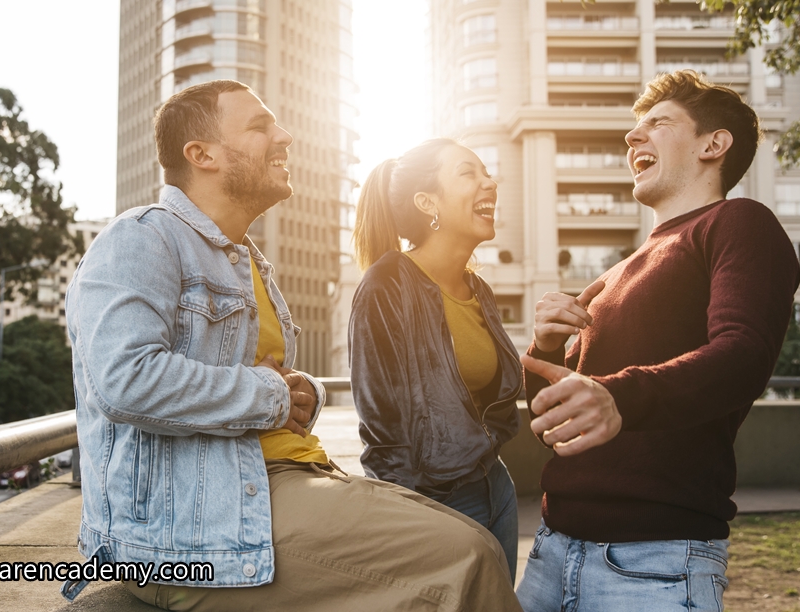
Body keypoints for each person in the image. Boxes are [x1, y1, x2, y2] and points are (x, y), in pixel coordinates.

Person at [60, 80, 522, 612]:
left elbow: (261, 389)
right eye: (260, 126)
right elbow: (124, 382)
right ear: (201, 154)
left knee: (463, 543)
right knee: (468, 557)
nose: (285, 135)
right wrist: (271, 394)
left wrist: (298, 392)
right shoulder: (140, 238)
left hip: (279, 481)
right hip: (196, 529)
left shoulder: (249, 263)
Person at [515, 70, 800, 611]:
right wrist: (546, 350)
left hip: (656, 563)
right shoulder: (616, 273)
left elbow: (744, 354)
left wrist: (618, 396)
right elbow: (558, 427)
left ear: (713, 145)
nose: (632, 138)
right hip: (551, 550)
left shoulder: (738, 222)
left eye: (658, 124)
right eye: (635, 128)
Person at [348, 139, 523, 581]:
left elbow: (493, 396)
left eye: (488, 173)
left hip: (495, 487)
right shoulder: (387, 285)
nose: (490, 182)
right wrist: (406, 526)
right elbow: (382, 430)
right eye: (469, 173)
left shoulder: (478, 290)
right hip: (434, 501)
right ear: (428, 202)